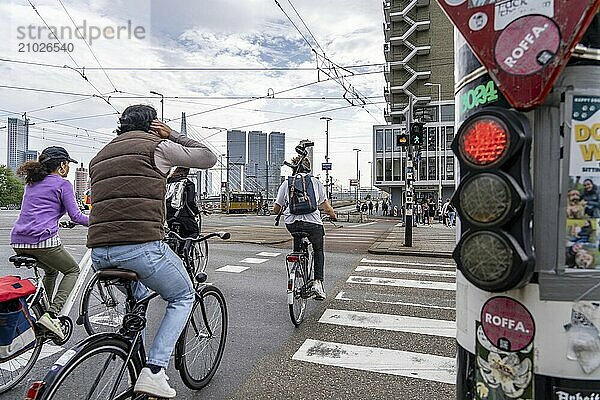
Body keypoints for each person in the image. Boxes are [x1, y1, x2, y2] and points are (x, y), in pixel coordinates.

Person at [87, 105, 217, 399]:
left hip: (98, 254)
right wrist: (173, 134)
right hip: (141, 248)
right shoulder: (158, 145)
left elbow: (129, 187)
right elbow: (208, 158)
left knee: (140, 297)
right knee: (183, 296)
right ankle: (154, 371)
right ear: (153, 125)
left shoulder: (100, 157)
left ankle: (129, 344)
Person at [10, 146, 89, 339]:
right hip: (42, 241)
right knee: (72, 270)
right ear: (62, 166)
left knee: (51, 270)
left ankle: (42, 312)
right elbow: (77, 216)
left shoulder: (32, 183)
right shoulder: (63, 184)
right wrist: (101, 221)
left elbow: (36, 213)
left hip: (18, 241)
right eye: (67, 164)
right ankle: (52, 314)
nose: (68, 168)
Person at [273, 156, 336, 301]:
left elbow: (276, 209)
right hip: (312, 223)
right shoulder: (315, 182)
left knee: (297, 235)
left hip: (292, 223)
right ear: (308, 168)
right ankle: (318, 283)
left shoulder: (286, 183)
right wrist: (333, 216)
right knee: (318, 249)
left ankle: (297, 267)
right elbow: (326, 207)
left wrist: (279, 209)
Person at [166, 167, 200, 237]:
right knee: (193, 232)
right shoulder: (188, 183)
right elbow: (190, 202)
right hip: (182, 214)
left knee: (171, 233)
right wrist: (196, 211)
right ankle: (185, 247)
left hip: (167, 214)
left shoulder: (167, 182)